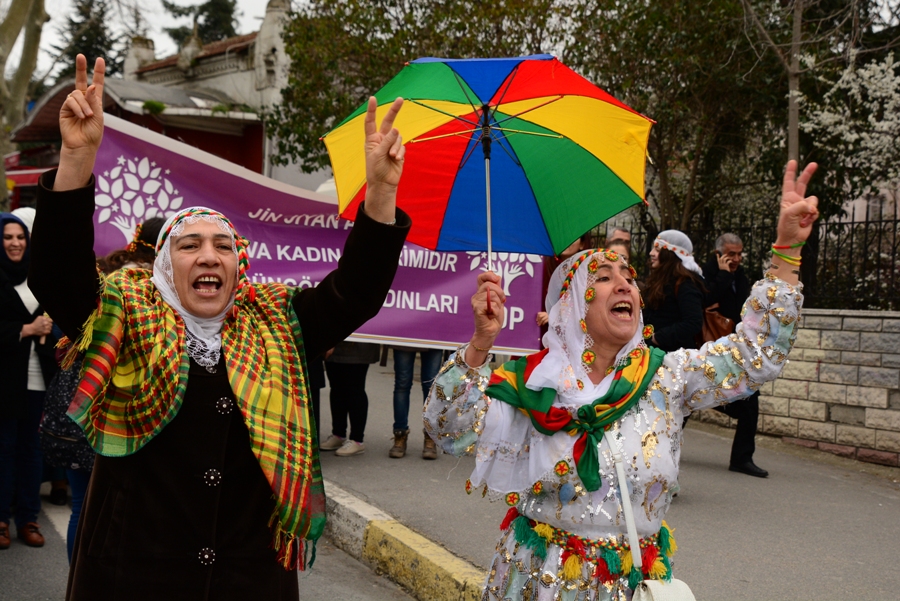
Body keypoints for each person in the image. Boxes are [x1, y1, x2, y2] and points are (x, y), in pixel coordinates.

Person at [29, 55, 410, 600]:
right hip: (131, 575)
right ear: (165, 267)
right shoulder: (124, 312)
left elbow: (358, 292)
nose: (209, 256)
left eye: (223, 246)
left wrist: (379, 193)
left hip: (246, 577)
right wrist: (76, 156)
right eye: (190, 245)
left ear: (239, 266)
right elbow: (57, 273)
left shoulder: (277, 322)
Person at [423, 160, 818, 599]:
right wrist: (481, 341)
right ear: (572, 308)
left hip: (629, 586)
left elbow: (754, 356)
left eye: (628, 277)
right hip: (539, 582)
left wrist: (785, 251)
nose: (625, 285)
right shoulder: (532, 384)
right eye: (603, 279)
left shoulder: (664, 377)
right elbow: (448, 429)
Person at [40, 218, 166, 562]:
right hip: (122, 410)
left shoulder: (105, 275)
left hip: (77, 400)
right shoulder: (159, 290)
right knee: (127, 509)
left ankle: (78, 588)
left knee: (83, 505)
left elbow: (61, 336)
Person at [0, 213, 58, 549]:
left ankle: (29, 518)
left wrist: (50, 323)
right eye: (8, 237)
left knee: (31, 450)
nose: (15, 243)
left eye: (20, 237)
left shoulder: (40, 276)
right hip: (6, 378)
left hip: (39, 376)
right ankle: (2, 520)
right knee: (4, 449)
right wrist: (24, 329)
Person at [702, 233, 768, 478]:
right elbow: (705, 298)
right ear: (719, 253)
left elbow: (745, 307)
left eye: (740, 254)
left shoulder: (740, 276)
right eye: (732, 254)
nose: (737, 259)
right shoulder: (706, 272)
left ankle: (742, 458)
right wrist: (723, 276)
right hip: (708, 346)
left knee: (751, 399)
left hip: (735, 347)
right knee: (684, 401)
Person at [641, 230, 705, 352]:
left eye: (658, 250)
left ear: (671, 255)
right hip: (653, 352)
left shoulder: (686, 284)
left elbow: (693, 322)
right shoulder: (660, 279)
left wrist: (658, 338)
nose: (651, 253)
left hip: (673, 358)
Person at [320, 342, 380, 457]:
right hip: (334, 346)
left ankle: (357, 440)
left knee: (355, 389)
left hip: (358, 345)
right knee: (336, 388)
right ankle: (338, 434)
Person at [389, 347, 443, 459]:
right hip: (405, 337)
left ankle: (430, 435)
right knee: (402, 383)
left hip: (434, 337)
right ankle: (400, 433)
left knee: (430, 386)